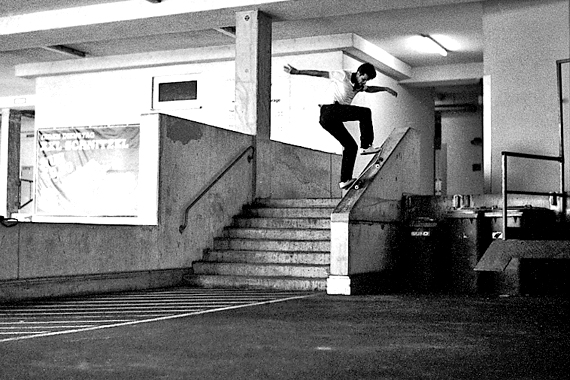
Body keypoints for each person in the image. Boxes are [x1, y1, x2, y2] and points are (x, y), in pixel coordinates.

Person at [284, 62, 398, 189]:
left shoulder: (360, 85)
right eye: (363, 79)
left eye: (366, 81)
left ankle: (345, 180)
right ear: (359, 73)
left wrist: (385, 89)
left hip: (330, 119)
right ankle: (366, 146)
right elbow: (320, 74)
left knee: (351, 146)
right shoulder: (343, 75)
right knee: (365, 113)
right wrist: (297, 72)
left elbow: (370, 89)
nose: (363, 83)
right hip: (329, 110)